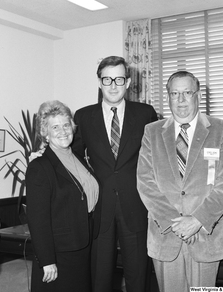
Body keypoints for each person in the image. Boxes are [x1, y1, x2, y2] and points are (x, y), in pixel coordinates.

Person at [137, 71, 223, 291]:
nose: (181, 100)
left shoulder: (221, 130)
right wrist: (177, 223)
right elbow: (146, 183)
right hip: (165, 235)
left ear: (198, 96)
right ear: (168, 97)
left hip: (205, 235)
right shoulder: (152, 132)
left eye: (187, 93)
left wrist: (196, 221)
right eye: (175, 93)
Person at [73, 56, 158, 292]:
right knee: (99, 278)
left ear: (128, 82)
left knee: (138, 277)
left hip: (137, 207)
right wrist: (44, 156)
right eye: (107, 79)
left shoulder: (146, 114)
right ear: (99, 83)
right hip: (100, 209)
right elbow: (74, 159)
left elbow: (158, 159)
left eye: (119, 79)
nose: (113, 85)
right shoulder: (83, 116)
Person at [26, 100, 101, 292]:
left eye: (66, 125)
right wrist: (47, 260)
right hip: (60, 252)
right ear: (45, 133)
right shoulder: (39, 166)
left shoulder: (78, 157)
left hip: (84, 244)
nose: (63, 131)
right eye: (55, 127)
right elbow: (37, 219)